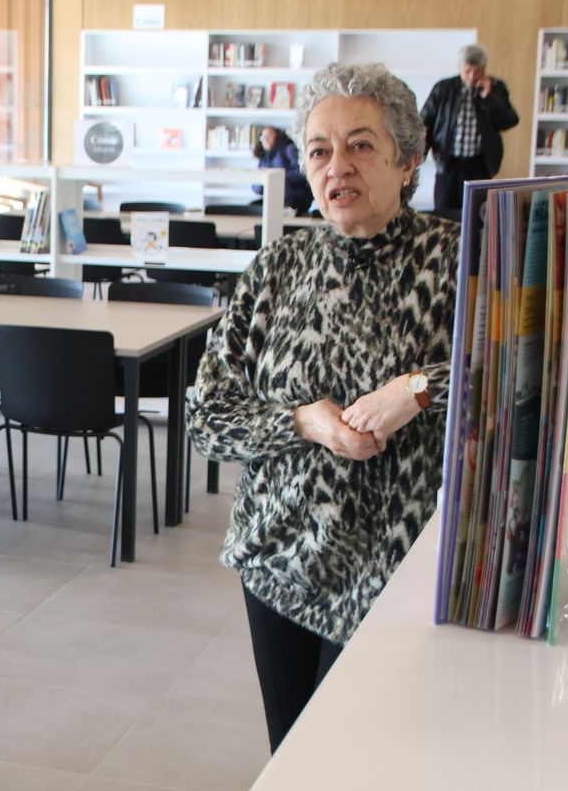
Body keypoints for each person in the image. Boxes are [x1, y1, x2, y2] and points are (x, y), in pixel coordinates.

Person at [188, 62, 460, 753]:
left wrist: (417, 388)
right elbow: (207, 414)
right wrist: (302, 420)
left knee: (368, 769)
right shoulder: (278, 267)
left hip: (396, 571)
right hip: (281, 559)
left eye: (361, 144)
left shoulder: (458, 259)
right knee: (291, 763)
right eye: (319, 149)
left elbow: (519, 377)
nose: (337, 166)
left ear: (408, 159)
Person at [421, 43, 520, 213]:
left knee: (477, 215)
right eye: (468, 71)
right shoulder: (443, 89)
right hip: (448, 162)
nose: (472, 77)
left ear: (484, 69)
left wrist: (489, 98)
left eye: (478, 71)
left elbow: (509, 121)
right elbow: (424, 122)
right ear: (460, 68)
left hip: (479, 164)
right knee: (444, 213)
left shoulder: (496, 88)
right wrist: (419, 153)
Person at [253, 125, 313, 215]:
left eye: (269, 136)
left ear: (277, 136)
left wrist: (278, 176)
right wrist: (261, 182)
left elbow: (302, 172)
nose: (265, 139)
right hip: (273, 199)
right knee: (252, 209)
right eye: (263, 137)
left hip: (295, 197)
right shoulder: (264, 157)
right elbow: (257, 189)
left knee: (283, 212)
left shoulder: (289, 149)